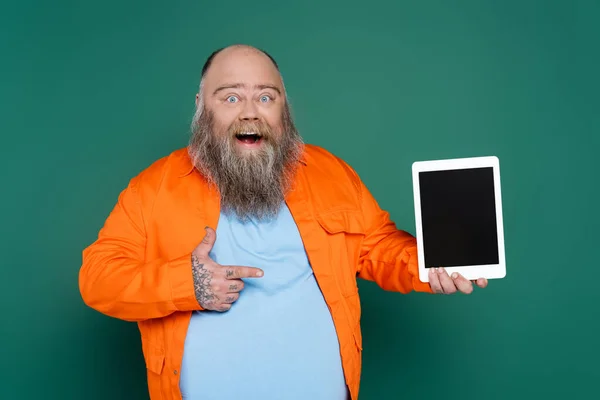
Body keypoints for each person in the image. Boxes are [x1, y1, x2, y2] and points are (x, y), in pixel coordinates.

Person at [79, 44, 488, 400]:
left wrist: (432, 263)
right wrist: (188, 284)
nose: (251, 113)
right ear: (202, 106)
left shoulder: (330, 173)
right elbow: (98, 278)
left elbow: (379, 248)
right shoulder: (153, 189)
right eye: (231, 98)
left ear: (284, 108)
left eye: (266, 97)